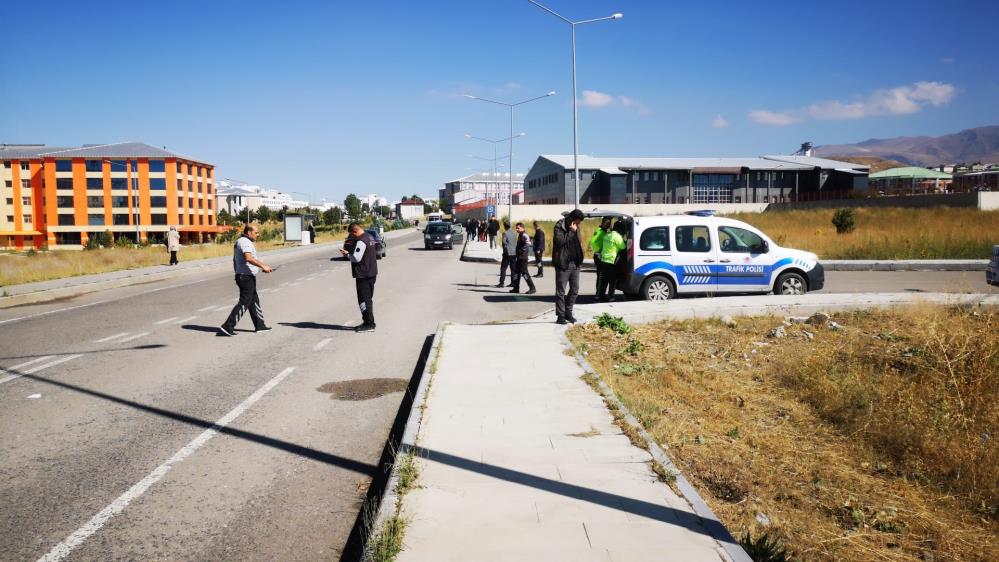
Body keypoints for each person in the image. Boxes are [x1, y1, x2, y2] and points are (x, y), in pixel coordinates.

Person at [219, 224, 273, 336]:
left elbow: (235, 260)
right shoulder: (244, 242)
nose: (258, 234)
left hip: (245, 275)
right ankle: (228, 326)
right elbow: (248, 258)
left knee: (254, 301)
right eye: (256, 232)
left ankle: (260, 325)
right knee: (245, 302)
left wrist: (238, 272)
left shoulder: (242, 241)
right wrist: (263, 266)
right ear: (249, 232)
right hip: (245, 277)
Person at [340, 222, 378, 333]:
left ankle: (369, 324)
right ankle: (368, 321)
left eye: (352, 234)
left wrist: (347, 254)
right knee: (368, 299)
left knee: (364, 300)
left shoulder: (361, 241)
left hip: (364, 274)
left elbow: (356, 258)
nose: (352, 237)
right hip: (371, 273)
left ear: (355, 231)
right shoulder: (369, 237)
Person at [553, 209, 585, 325]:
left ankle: (568, 312)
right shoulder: (559, 225)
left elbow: (578, 242)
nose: (579, 224)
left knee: (575, 289)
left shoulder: (577, 227)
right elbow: (559, 241)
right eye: (577, 222)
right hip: (563, 263)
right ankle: (560, 316)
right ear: (572, 219)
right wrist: (571, 232)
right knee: (560, 291)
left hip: (575, 263)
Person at [597, 220, 626, 302]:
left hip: (603, 260)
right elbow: (623, 247)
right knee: (612, 280)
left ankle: (601, 296)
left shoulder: (607, 234)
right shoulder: (617, 237)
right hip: (612, 261)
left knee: (604, 280)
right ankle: (611, 296)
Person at [510, 222, 537, 294]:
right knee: (516, 273)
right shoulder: (520, 235)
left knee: (525, 273)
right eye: (516, 228)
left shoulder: (524, 235)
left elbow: (528, 243)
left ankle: (532, 288)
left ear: (522, 228)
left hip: (523, 258)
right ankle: (516, 288)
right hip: (519, 258)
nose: (516, 229)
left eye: (518, 228)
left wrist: (522, 250)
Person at [589, 217, 611, 294]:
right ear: (602, 223)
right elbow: (592, 242)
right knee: (601, 277)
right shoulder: (600, 231)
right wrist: (600, 249)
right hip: (599, 256)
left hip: (601, 256)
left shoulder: (604, 231)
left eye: (609, 224)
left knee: (603, 277)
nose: (608, 225)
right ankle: (598, 295)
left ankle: (601, 294)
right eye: (607, 223)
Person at [497, 220, 518, 288]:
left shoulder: (505, 233)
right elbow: (515, 242)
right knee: (513, 269)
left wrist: (505, 250)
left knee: (503, 268)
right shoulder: (515, 233)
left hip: (507, 253)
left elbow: (504, 243)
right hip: (514, 253)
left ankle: (502, 283)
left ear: (504, 226)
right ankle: (513, 282)